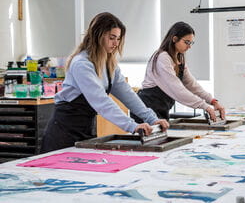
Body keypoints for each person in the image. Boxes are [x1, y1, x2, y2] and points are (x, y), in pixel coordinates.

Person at [41, 12, 168, 153]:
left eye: (118, 39)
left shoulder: (109, 65)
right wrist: (132, 126)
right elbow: (101, 101)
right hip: (63, 131)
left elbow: (128, 95)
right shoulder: (81, 64)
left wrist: (152, 119)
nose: (116, 43)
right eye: (111, 38)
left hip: (85, 129)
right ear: (97, 36)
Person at [131, 21, 225, 123]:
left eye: (191, 43)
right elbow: (177, 89)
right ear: (175, 39)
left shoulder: (178, 58)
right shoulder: (162, 57)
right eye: (187, 42)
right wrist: (205, 106)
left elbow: (192, 84)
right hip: (146, 109)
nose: (189, 46)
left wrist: (213, 101)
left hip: (161, 110)